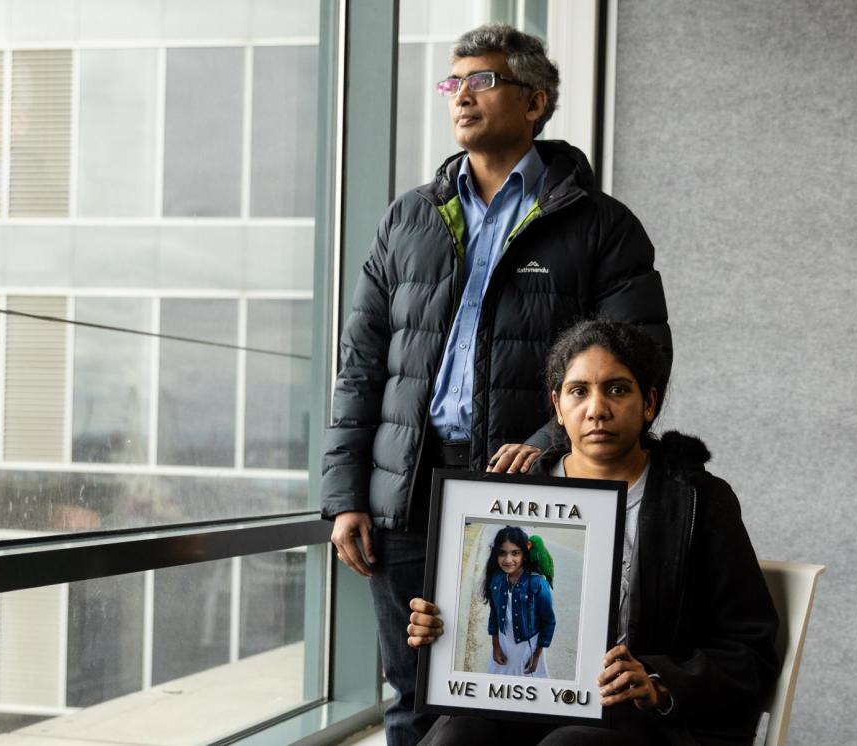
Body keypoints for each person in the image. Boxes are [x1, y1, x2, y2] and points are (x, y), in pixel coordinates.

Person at [321, 24, 671, 745]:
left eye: (482, 81)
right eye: (453, 83)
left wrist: (547, 440)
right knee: (411, 692)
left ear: (535, 100)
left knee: (520, 689)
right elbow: (362, 364)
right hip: (409, 491)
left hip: (528, 491)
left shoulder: (600, 227)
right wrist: (344, 496)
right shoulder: (408, 217)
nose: (461, 97)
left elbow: (640, 356)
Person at [407, 320, 778, 746]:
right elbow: (475, 616)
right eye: (579, 391)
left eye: (618, 389)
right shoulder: (512, 493)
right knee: (457, 735)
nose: (597, 408)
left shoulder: (697, 500)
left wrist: (658, 682)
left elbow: (749, 649)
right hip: (523, 698)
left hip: (643, 719)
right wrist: (440, 630)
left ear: (650, 403)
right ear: (558, 407)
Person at [482, 526, 555, 677]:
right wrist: (495, 645)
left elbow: (548, 622)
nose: (508, 560)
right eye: (502, 553)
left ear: (524, 554)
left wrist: (536, 656)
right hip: (503, 644)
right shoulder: (496, 578)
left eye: (515, 553)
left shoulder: (538, 584)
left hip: (529, 648)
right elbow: (494, 613)